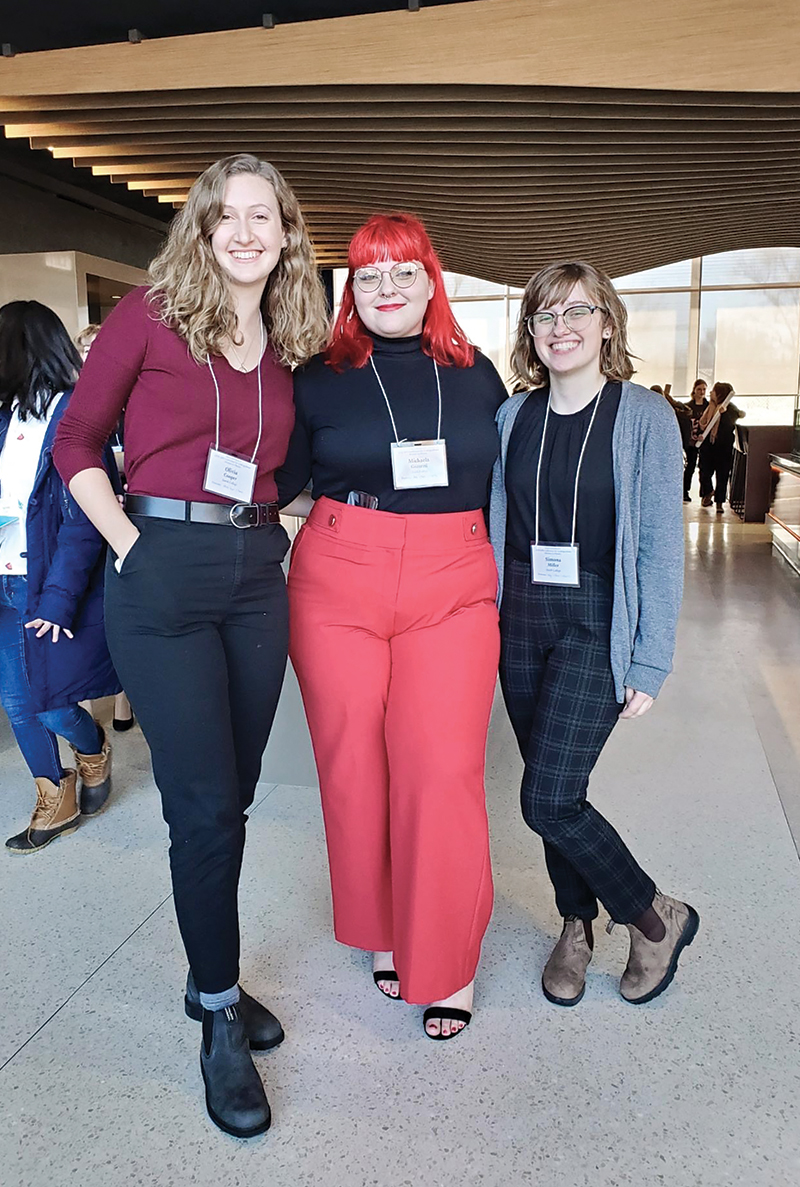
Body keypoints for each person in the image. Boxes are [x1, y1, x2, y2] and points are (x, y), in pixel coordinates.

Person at [54, 154, 329, 1138]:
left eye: (266, 216)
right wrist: (128, 542)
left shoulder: (289, 335)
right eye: (228, 216)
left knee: (236, 791)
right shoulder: (151, 313)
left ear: (288, 234)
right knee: (205, 807)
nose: (247, 231)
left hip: (256, 575)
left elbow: (289, 459)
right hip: (160, 566)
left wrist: (283, 526)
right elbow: (76, 440)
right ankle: (216, 1009)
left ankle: (203, 970)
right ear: (203, 229)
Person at [278, 212, 507, 1040]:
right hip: (340, 575)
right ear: (352, 291)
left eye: (402, 272)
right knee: (352, 766)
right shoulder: (319, 375)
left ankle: (446, 957)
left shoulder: (479, 375)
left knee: (440, 766)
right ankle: (384, 928)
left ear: (431, 279)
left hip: (454, 576)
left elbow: (504, 485)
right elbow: (284, 485)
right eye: (367, 275)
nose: (385, 288)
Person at [490, 259, 699, 1010]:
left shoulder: (642, 416)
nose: (561, 327)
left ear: (607, 322)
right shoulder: (515, 417)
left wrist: (651, 655)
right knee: (557, 777)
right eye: (545, 316)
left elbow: (657, 547)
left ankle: (652, 916)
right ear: (531, 334)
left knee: (548, 796)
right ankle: (575, 925)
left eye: (578, 312)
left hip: (596, 617)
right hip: (520, 615)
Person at [0, 301, 117, 853]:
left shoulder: (78, 416)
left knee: (49, 701)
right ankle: (55, 795)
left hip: (44, 581)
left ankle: (91, 745)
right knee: (19, 703)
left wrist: (59, 597)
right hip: (3, 579)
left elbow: (85, 520)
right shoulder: (3, 416)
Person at [76, 323, 134, 731]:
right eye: (84, 350)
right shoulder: (75, 402)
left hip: (126, 511)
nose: (90, 357)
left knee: (119, 606)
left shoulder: (133, 396)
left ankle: (123, 702)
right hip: (89, 509)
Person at [698, 381, 744, 511]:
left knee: (722, 475)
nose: (710, 393)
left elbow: (729, 425)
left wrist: (723, 415)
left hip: (723, 448)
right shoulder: (709, 406)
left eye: (714, 391)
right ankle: (708, 492)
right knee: (704, 472)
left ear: (720, 394)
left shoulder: (730, 409)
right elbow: (704, 424)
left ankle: (719, 502)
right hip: (708, 446)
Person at [682, 379, 708, 501]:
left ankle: (705, 493)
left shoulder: (708, 406)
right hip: (691, 442)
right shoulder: (688, 407)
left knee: (704, 467)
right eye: (699, 389)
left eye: (704, 389)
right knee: (690, 466)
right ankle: (685, 491)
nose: (702, 392)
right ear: (694, 390)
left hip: (705, 442)